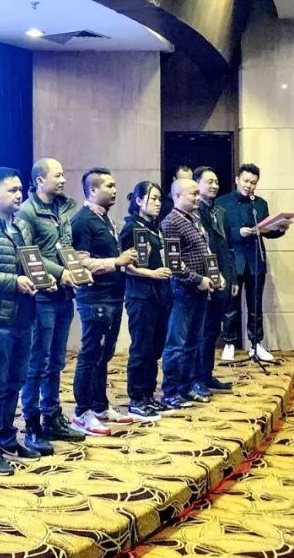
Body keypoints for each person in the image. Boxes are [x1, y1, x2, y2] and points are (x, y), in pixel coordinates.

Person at [0, 167, 44, 475]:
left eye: (20, 190)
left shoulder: (22, 225)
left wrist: (43, 278)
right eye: (12, 190)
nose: (19, 195)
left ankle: (6, 437)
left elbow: (31, 261)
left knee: (16, 380)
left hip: (24, 315)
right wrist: (13, 281)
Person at [17, 158, 87, 448]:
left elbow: (63, 247)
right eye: (57, 175)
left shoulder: (63, 208)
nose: (63, 179)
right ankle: (32, 424)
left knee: (56, 360)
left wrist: (77, 263)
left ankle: (52, 415)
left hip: (64, 294)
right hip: (42, 296)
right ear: (40, 180)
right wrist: (61, 272)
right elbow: (27, 253)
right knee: (38, 362)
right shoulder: (27, 211)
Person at [69, 168, 138, 435]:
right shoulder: (82, 221)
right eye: (109, 186)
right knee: (90, 355)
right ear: (92, 190)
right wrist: (116, 262)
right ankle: (81, 412)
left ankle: (99, 406)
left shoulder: (105, 218)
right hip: (94, 298)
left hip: (113, 295)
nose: (115, 190)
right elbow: (80, 262)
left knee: (104, 354)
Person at [218, 163, 285, 362]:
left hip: (255, 259)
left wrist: (279, 229)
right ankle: (229, 342)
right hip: (234, 260)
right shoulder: (222, 202)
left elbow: (267, 230)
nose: (249, 185)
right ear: (237, 180)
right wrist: (238, 232)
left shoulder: (260, 204)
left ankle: (256, 344)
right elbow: (219, 233)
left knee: (255, 304)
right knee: (231, 304)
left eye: (253, 183)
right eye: (246, 181)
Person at [118, 180, 173, 421]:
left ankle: (149, 395)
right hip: (140, 296)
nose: (158, 204)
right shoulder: (132, 228)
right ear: (139, 201)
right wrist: (152, 273)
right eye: (153, 199)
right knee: (141, 347)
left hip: (159, 295)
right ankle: (137, 398)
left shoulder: (154, 228)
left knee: (154, 347)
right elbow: (127, 265)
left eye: (160, 199)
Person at [160, 179, 217, 408]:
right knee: (176, 344)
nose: (197, 198)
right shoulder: (171, 222)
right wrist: (198, 279)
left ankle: (185, 387)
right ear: (177, 196)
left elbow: (204, 251)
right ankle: (170, 392)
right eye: (193, 194)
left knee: (193, 342)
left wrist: (214, 275)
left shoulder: (194, 219)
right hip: (182, 291)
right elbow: (174, 264)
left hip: (200, 290)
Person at [193, 167, 235, 393]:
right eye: (209, 181)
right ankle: (196, 378)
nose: (214, 186)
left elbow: (228, 248)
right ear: (196, 184)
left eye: (216, 182)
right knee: (200, 332)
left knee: (212, 331)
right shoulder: (193, 213)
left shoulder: (221, 212)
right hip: (202, 280)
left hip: (222, 277)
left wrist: (232, 277)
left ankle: (206, 375)